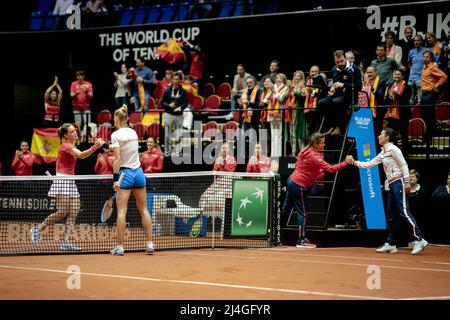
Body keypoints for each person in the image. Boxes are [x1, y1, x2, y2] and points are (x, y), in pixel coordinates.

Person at [350, 128, 428, 255]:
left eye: (381, 135)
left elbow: (404, 165)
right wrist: (354, 162)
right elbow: (369, 164)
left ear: (387, 137)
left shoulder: (394, 149)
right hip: (392, 184)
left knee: (404, 212)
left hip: (399, 182)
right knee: (391, 215)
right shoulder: (383, 152)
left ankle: (419, 239)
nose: (378, 136)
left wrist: (407, 181)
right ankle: (391, 243)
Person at [30, 123, 104, 250]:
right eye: (71, 131)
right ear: (65, 135)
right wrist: (95, 147)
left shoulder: (70, 145)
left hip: (71, 181)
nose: (75, 132)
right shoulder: (66, 146)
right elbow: (81, 155)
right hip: (62, 180)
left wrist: (95, 145)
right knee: (63, 212)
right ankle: (37, 229)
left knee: (74, 211)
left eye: (75, 130)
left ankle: (66, 241)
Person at [282, 132, 353, 248]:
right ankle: (301, 240)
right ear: (316, 143)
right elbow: (330, 169)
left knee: (286, 208)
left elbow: (298, 162)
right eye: (322, 143)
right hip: (299, 185)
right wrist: (346, 162)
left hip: (292, 180)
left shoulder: (307, 149)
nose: (324, 145)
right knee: (302, 213)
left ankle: (274, 233)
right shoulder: (314, 156)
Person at [110, 105, 155, 255]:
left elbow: (117, 158)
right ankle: (149, 244)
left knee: (122, 211)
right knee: (144, 209)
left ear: (117, 118)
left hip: (125, 174)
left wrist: (116, 179)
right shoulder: (133, 132)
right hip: (139, 173)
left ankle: (120, 247)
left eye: (114, 118)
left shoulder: (115, 135)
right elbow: (125, 149)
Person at [161, 71, 188, 157]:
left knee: (179, 135)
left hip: (179, 115)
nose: (175, 81)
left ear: (180, 80)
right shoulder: (167, 91)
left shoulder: (184, 92)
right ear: (172, 80)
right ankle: (167, 153)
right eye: (174, 79)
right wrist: (168, 105)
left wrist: (181, 107)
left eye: (177, 79)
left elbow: (185, 103)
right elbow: (162, 103)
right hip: (168, 114)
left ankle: (177, 152)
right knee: (167, 135)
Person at [70, 70, 93, 142]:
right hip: (76, 108)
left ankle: (87, 139)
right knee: (78, 124)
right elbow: (71, 95)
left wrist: (86, 91)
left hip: (86, 108)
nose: (79, 77)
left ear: (83, 76)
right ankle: (78, 139)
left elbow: (91, 96)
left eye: (80, 75)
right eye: (77, 76)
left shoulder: (88, 84)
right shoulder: (73, 84)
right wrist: (76, 93)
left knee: (87, 124)